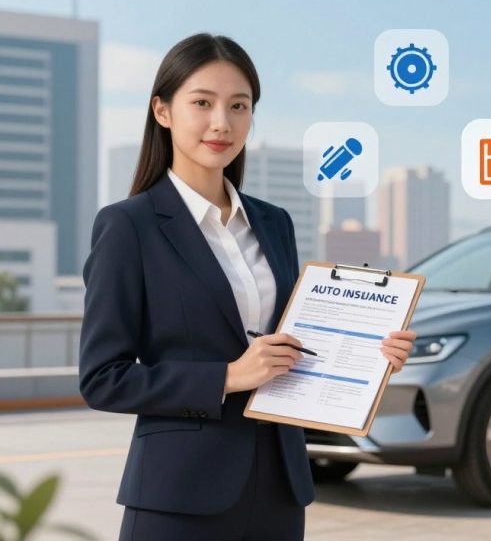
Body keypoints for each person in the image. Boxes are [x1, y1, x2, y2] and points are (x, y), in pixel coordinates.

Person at [78, 33, 417, 541]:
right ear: (162, 111)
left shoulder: (273, 222)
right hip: (180, 494)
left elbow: (294, 345)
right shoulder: (129, 226)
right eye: (202, 103)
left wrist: (371, 355)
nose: (223, 122)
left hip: (279, 487)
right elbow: (103, 377)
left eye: (239, 106)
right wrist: (228, 377)